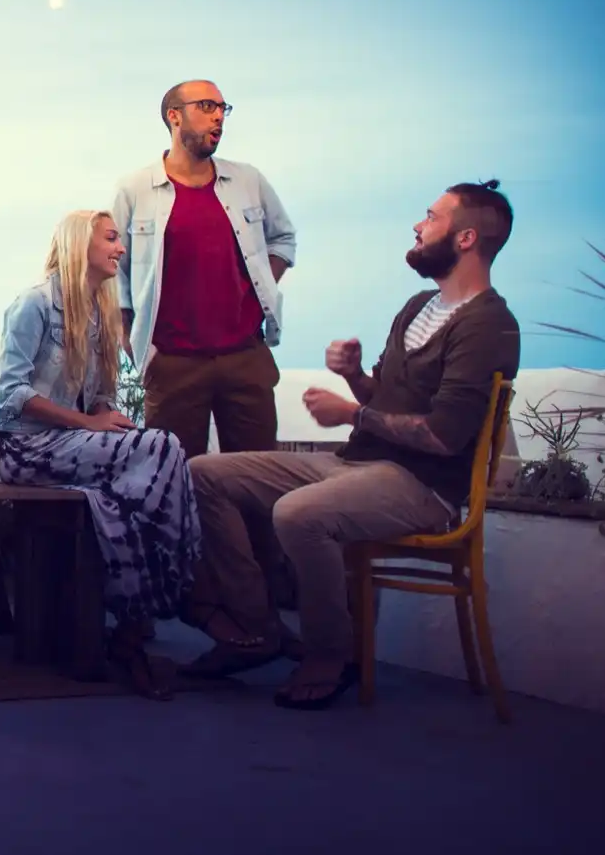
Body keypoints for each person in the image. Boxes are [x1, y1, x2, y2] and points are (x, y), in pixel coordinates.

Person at [184, 182, 522, 711]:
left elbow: (443, 435)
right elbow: (385, 401)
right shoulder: (417, 308)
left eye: (430, 217)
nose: (417, 225)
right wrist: (356, 377)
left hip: (422, 488)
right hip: (356, 466)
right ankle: (256, 625)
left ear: (466, 237)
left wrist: (353, 413)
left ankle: (330, 657)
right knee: (204, 472)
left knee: (299, 515)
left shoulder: (489, 325)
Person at [0, 210, 199, 699]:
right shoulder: (33, 305)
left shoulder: (98, 312)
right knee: (163, 449)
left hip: (71, 445)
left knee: (136, 479)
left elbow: (101, 397)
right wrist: (91, 423)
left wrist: (108, 417)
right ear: (83, 245)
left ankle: (132, 623)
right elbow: (11, 393)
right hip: (24, 447)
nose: (120, 249)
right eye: (111, 239)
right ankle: (176, 589)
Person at [112, 80, 297, 458]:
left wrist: (258, 285)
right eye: (207, 106)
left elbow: (283, 239)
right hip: (173, 361)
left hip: (245, 355)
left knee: (256, 475)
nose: (218, 117)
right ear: (174, 116)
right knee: (175, 476)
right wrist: (132, 345)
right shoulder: (136, 189)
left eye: (223, 108)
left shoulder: (248, 181)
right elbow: (114, 271)